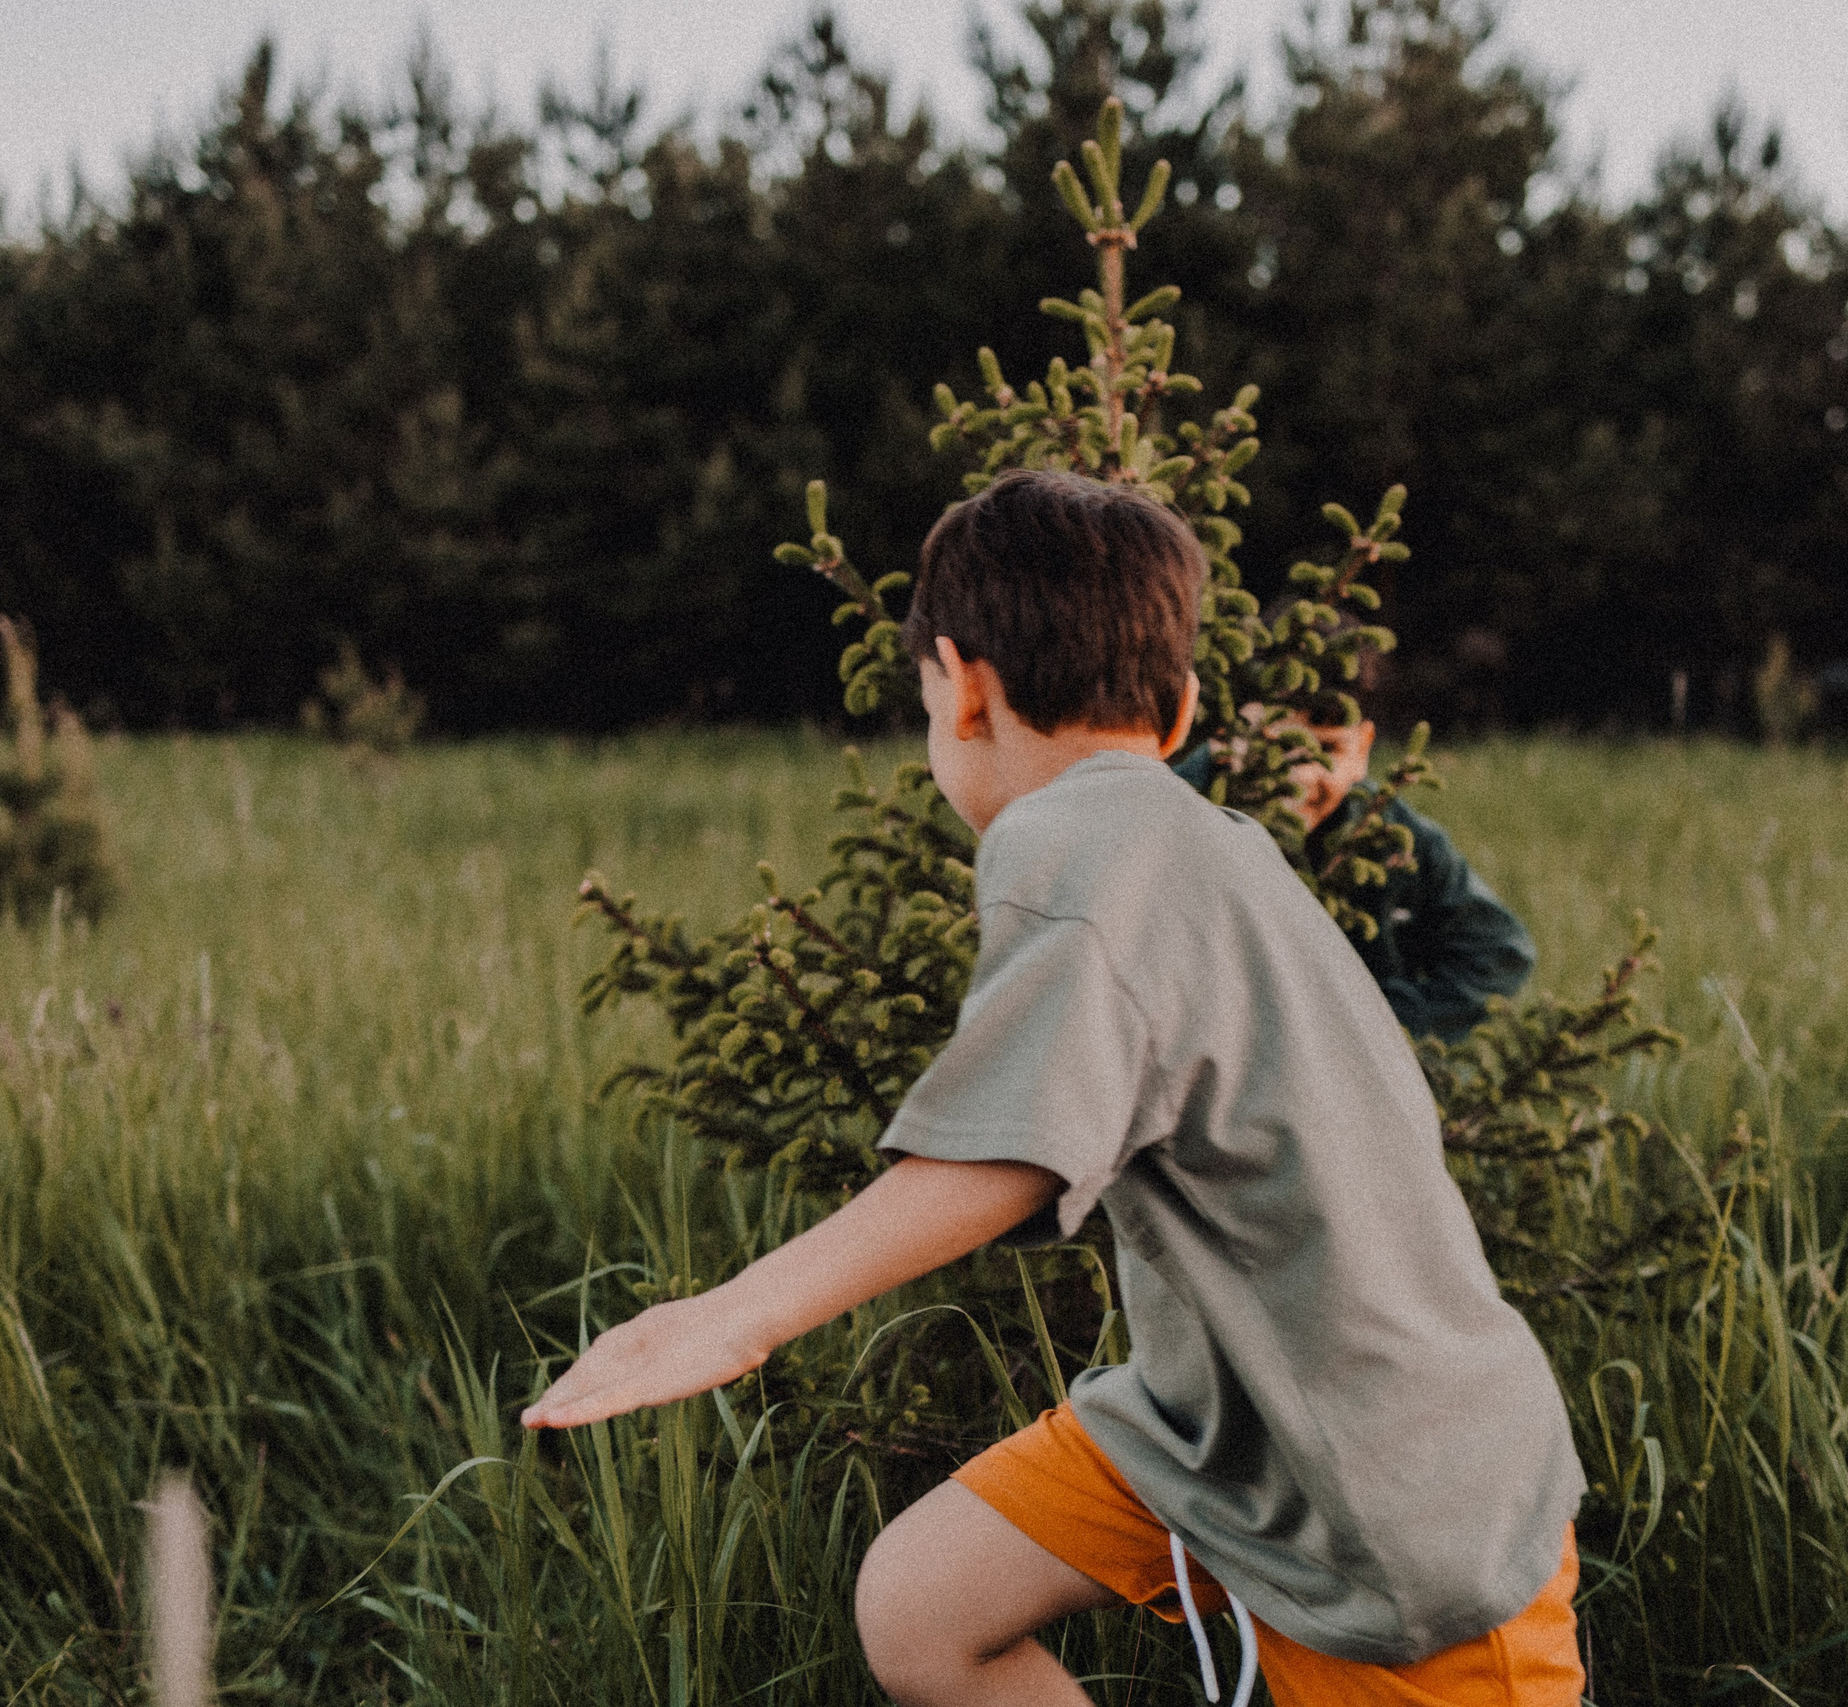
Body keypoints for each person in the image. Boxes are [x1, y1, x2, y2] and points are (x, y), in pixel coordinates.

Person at [523, 470, 1586, 1707]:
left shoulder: (1073, 838)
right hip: (1215, 1431)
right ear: (1181, 709)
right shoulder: (1201, 841)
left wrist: (736, 1316)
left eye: (928, 704)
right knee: (924, 1609)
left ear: (963, 687)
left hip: (1394, 1507)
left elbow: (1009, 1151)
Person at [1172, 712, 1536, 1041]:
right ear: (1227, 739)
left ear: (1362, 749)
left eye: (1328, 748)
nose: (1303, 775)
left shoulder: (1390, 834)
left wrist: (1376, 1029)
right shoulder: (1180, 814)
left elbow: (1501, 952)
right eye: (1280, 747)